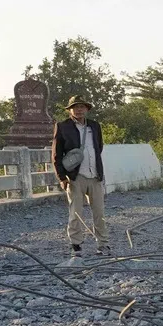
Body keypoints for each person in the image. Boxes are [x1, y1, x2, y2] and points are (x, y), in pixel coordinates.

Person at [52, 94, 108, 259]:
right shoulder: (62, 127)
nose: (79, 109)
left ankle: (103, 244)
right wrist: (62, 177)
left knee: (99, 212)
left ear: (87, 109)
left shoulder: (94, 126)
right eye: (75, 107)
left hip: (95, 174)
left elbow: (99, 147)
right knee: (76, 212)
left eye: (82, 106)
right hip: (75, 176)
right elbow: (56, 155)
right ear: (70, 110)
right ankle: (76, 245)